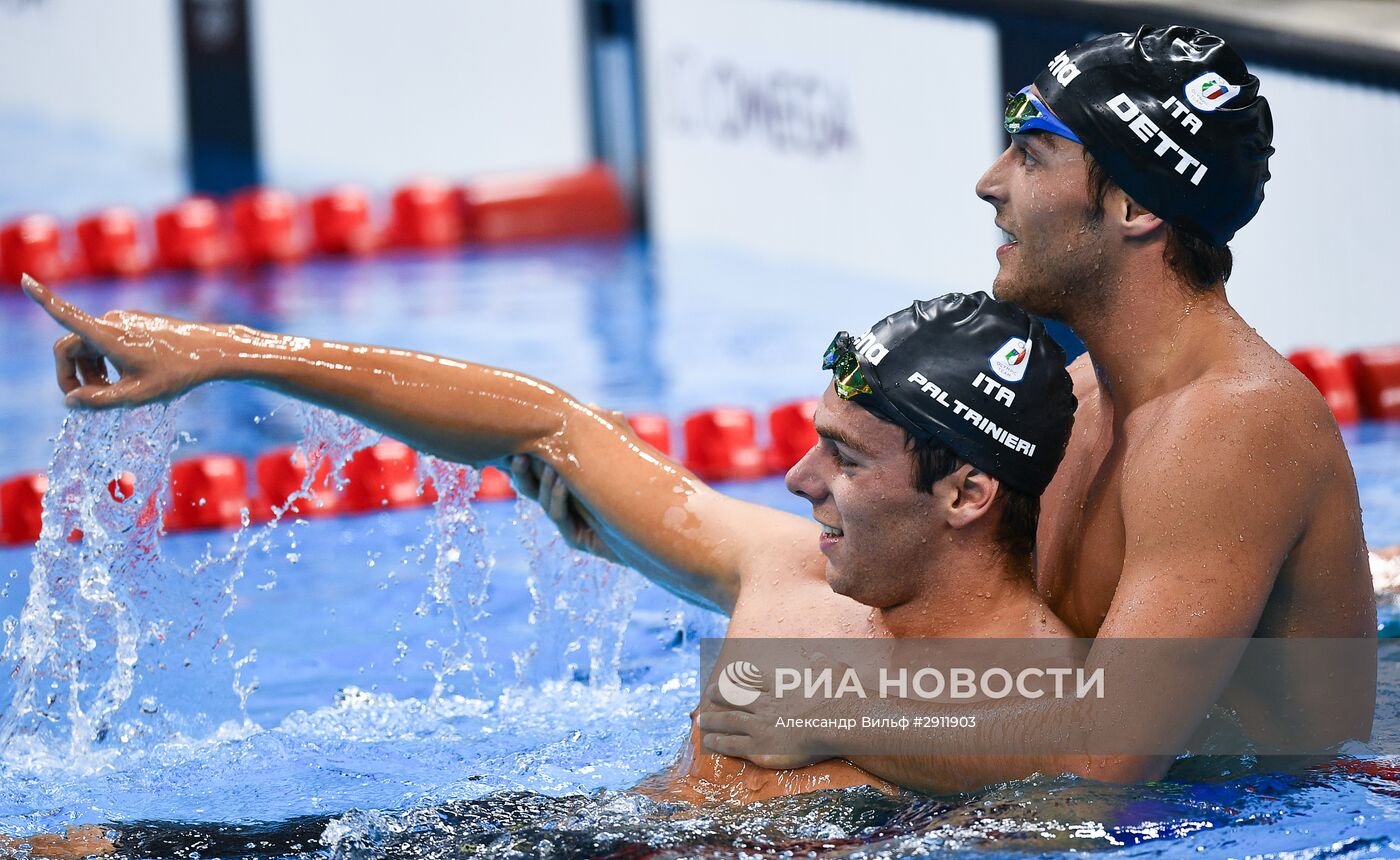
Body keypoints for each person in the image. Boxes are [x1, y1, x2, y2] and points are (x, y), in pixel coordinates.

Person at [17, 278, 1074, 825]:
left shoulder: (1052, 708)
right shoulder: (795, 571)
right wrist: (228, 353)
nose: (795, 482)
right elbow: (544, 422)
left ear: (967, 491)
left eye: (841, 458)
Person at [692, 25, 1376, 789]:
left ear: (1133, 206)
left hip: (1264, 814)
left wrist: (829, 716)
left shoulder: (1231, 425)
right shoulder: (1084, 395)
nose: (990, 183)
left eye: (1031, 153)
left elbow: (1102, 756)